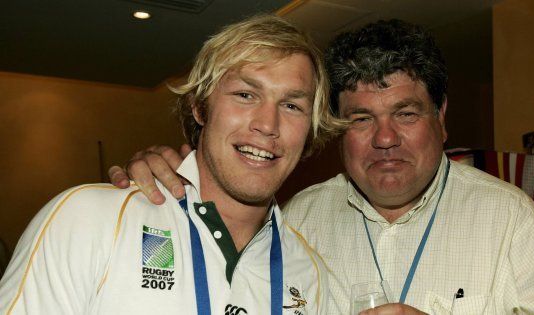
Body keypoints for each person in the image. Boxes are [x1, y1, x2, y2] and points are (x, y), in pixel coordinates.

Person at [108, 20, 534, 314]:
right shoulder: (297, 219)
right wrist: (169, 173)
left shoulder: (511, 221)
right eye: (362, 118)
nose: (385, 139)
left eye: (406, 114)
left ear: (442, 118)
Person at [0, 15, 333, 315]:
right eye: (245, 95)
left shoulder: (310, 273)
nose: (268, 124)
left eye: (291, 105)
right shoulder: (88, 220)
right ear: (200, 108)